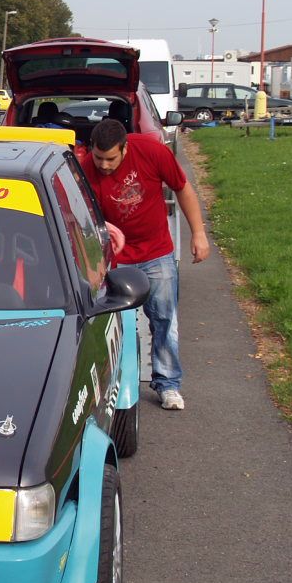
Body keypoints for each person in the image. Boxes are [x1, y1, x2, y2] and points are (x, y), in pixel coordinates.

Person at [79, 118, 209, 410]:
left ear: (124, 148)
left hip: (156, 252)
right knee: (112, 323)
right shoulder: (86, 169)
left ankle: (168, 384)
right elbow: (81, 218)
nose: (104, 165)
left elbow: (182, 188)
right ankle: (112, 383)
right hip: (115, 258)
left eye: (110, 159)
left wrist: (198, 233)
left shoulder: (152, 152)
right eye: (98, 158)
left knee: (164, 319)